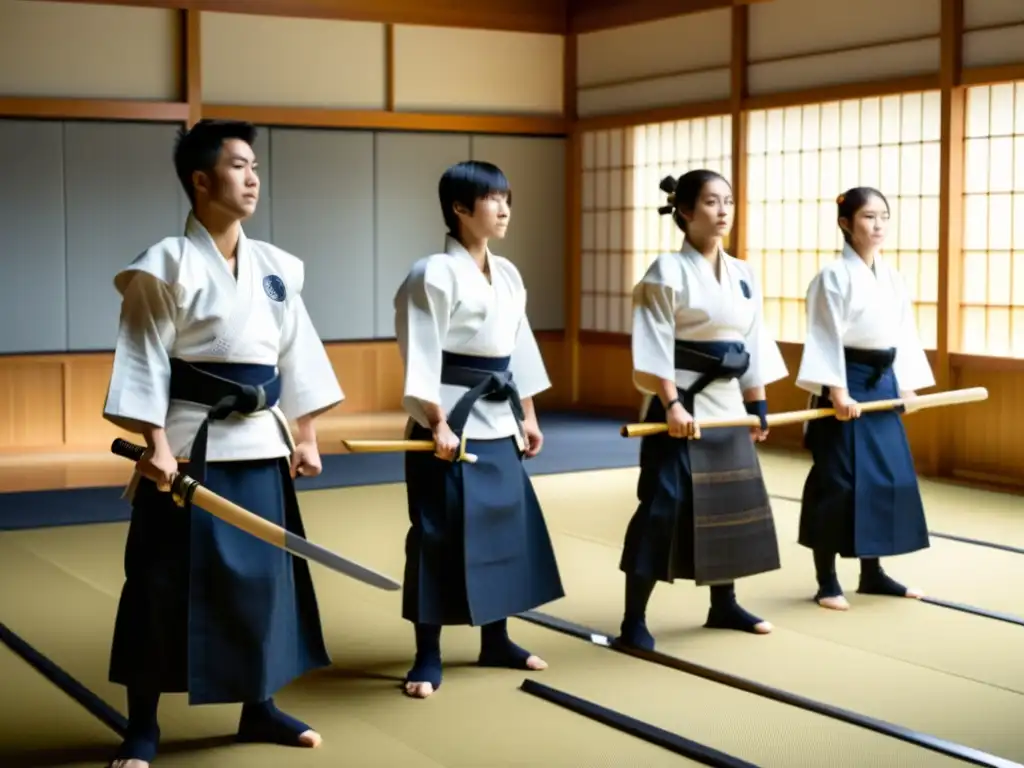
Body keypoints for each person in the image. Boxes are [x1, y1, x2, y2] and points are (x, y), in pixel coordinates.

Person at [101, 119, 344, 768]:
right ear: (201, 180)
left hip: (261, 444)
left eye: (256, 166)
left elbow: (299, 354)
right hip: (184, 451)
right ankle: (142, 726)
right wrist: (152, 440)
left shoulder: (274, 268)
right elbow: (143, 356)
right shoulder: (165, 265)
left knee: (261, 582)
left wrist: (308, 432)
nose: (253, 176)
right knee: (159, 584)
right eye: (239, 165)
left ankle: (257, 706)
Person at [393, 159, 564, 699]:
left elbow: (521, 350)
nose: (505, 207)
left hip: (499, 418)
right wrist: (435, 422)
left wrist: (528, 415)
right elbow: (419, 353)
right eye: (493, 199)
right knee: (438, 538)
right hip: (449, 423)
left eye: (508, 197)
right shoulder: (431, 273)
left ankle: (497, 638)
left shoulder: (508, 273)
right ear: (460, 209)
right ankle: (427, 654)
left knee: (503, 532)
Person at [617, 170, 789, 652]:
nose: (723, 211)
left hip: (727, 406)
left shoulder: (743, 273)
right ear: (686, 212)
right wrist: (670, 403)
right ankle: (634, 618)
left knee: (731, 506)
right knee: (662, 508)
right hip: (682, 404)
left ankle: (723, 603)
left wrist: (758, 405)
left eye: (728, 202)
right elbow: (653, 343)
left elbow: (753, 341)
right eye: (712, 202)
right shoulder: (665, 272)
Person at [796, 186, 934, 611]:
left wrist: (905, 384)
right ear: (845, 224)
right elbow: (823, 336)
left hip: (881, 384)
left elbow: (904, 334)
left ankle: (872, 574)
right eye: (868, 217)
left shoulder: (892, 277)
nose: (878, 225)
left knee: (884, 481)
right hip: (845, 383)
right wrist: (836, 390)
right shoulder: (831, 277)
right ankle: (826, 580)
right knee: (838, 484)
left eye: (884, 217)